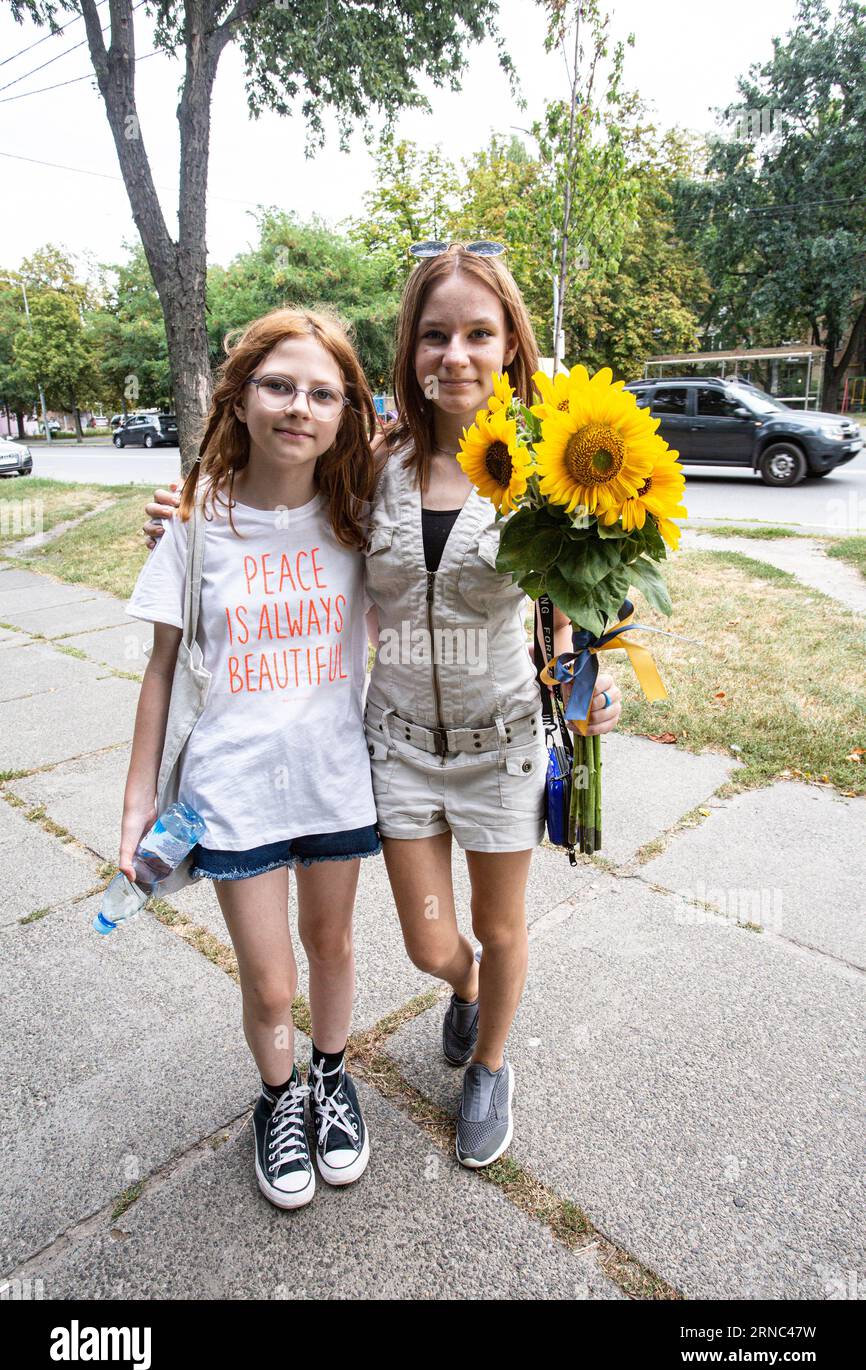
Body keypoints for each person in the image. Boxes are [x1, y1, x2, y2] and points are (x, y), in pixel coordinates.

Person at [143, 246, 623, 1170]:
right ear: (410, 352)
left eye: (480, 334)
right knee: (429, 940)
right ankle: (470, 988)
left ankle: (489, 1063)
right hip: (396, 750)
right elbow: (272, 495)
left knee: (502, 925)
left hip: (502, 745)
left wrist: (591, 684)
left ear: (512, 347)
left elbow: (577, 604)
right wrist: (183, 510)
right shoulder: (370, 465)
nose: (458, 355)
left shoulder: (546, 470)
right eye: (436, 335)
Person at [123, 306, 382, 1209]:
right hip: (231, 794)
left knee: (334, 944)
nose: (298, 407)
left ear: (348, 411)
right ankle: (278, 1100)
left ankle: (332, 1078)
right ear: (238, 400)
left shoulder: (359, 522)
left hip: (334, 781)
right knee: (270, 981)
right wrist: (133, 816)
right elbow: (160, 675)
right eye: (278, 386)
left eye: (322, 392)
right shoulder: (194, 527)